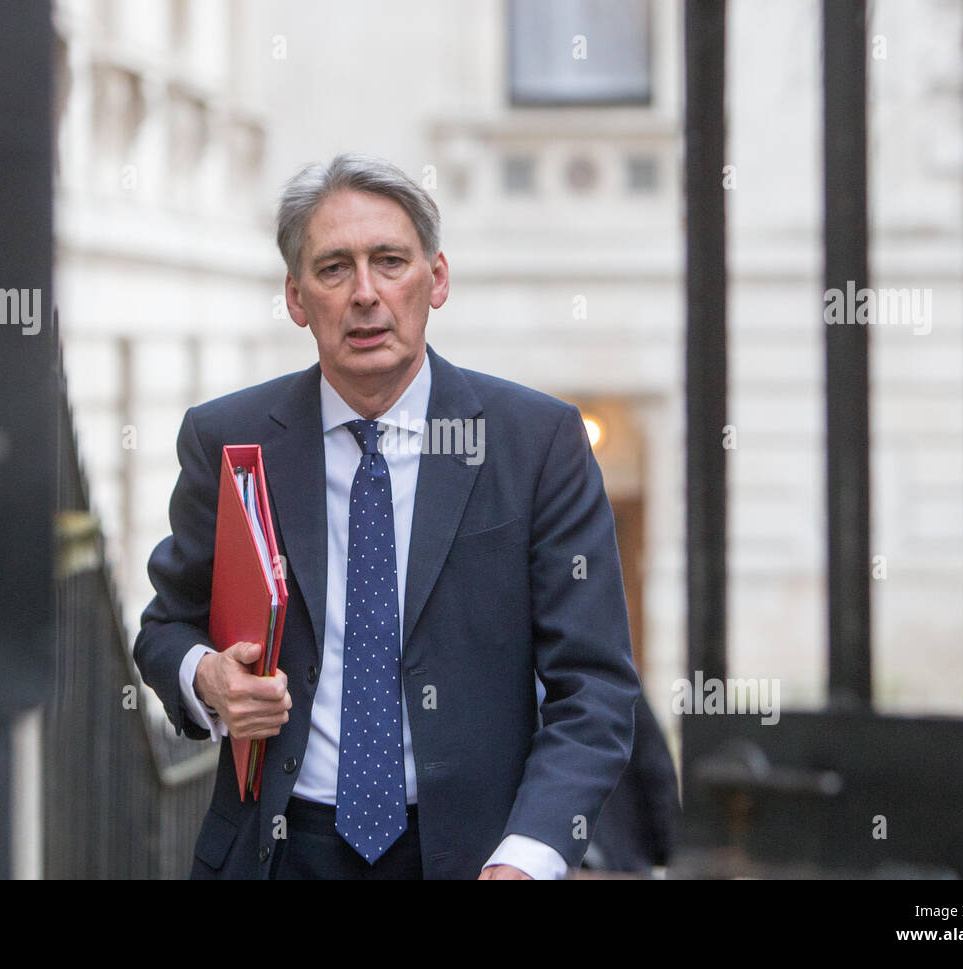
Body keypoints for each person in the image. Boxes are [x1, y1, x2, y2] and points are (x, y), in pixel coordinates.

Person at [133, 152, 642, 880]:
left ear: (435, 280)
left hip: (474, 857)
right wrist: (204, 676)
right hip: (279, 852)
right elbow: (165, 625)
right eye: (334, 268)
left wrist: (530, 854)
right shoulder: (230, 439)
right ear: (296, 297)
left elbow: (593, 687)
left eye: (390, 261)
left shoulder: (535, 444)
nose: (365, 293)